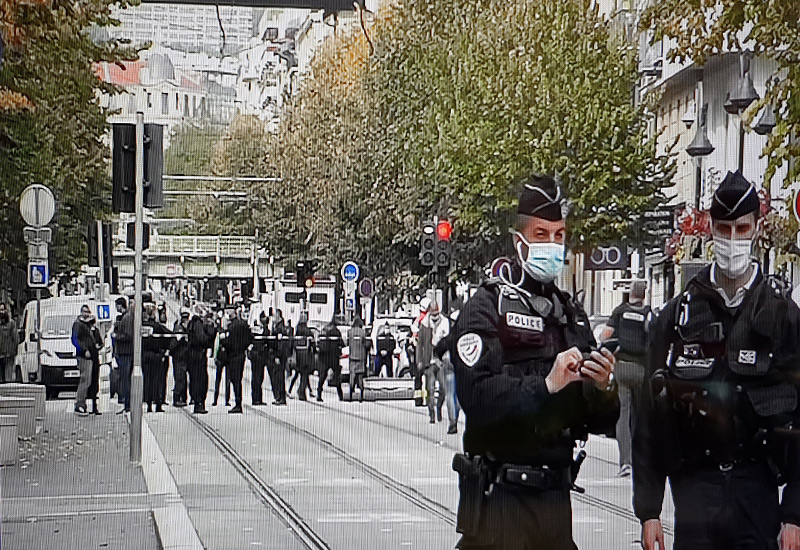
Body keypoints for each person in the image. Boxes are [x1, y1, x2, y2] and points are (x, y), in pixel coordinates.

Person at [633, 171, 800, 550]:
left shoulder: (783, 316)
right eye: (724, 229)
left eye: (742, 229)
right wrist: (649, 510)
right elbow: (648, 417)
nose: (733, 240)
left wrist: (794, 513)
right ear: (709, 229)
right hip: (695, 492)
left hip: (757, 492)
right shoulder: (677, 317)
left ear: (757, 228)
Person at [450, 173, 619, 550]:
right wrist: (546, 385)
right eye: (541, 235)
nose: (553, 245)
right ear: (519, 241)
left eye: (559, 235)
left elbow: (602, 421)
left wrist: (605, 388)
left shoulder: (570, 314)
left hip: (556, 506)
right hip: (501, 504)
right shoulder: (486, 307)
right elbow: (476, 396)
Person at [600, 280, 651, 478]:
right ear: (644, 295)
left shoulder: (620, 311)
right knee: (641, 417)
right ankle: (643, 461)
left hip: (622, 368)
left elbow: (605, 336)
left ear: (630, 294)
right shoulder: (647, 313)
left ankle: (625, 463)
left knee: (623, 416)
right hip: (641, 370)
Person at [419, 302, 450, 424]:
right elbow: (420, 344)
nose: (435, 317)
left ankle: (439, 407)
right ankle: (431, 412)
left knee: (443, 388)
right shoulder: (424, 324)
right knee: (430, 389)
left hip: (441, 362)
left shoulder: (444, 322)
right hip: (429, 362)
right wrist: (420, 361)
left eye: (436, 314)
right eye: (433, 314)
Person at [71, 304, 103, 416]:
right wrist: (84, 350)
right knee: (85, 380)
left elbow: (97, 340)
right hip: (84, 356)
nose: (86, 314)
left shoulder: (89, 326)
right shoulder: (78, 324)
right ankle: (80, 404)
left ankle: (86, 404)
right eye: (84, 312)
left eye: (87, 312)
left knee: (90, 380)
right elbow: (75, 339)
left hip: (92, 356)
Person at [221, 308, 253, 414]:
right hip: (241, 355)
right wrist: (244, 347)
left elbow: (228, 342)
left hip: (233, 355)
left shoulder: (231, 327)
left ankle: (238, 403)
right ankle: (238, 402)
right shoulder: (243, 325)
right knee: (238, 380)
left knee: (235, 380)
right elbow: (250, 337)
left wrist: (223, 340)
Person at [435, 310, 460, 435]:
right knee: (458, 394)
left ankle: (453, 422)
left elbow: (438, 349)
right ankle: (456, 414)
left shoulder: (449, 337)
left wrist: (439, 360)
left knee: (450, 394)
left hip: (449, 364)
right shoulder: (465, 337)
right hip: (462, 367)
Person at [142, 303, 170, 413]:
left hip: (145, 356)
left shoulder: (142, 326)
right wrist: (164, 350)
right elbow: (169, 335)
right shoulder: (158, 326)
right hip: (157, 356)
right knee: (157, 381)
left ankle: (148, 404)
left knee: (147, 380)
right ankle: (158, 404)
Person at [187, 306, 215, 414]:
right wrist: (210, 334)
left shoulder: (192, 323)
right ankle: (199, 403)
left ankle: (197, 401)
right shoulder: (197, 324)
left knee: (195, 379)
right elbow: (202, 339)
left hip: (193, 356)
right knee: (200, 380)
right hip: (197, 356)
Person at [113, 297, 134, 413]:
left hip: (125, 353)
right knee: (124, 379)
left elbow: (128, 335)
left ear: (120, 305)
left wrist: (116, 336)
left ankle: (127, 404)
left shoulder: (127, 318)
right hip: (124, 352)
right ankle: (126, 403)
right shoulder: (125, 317)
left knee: (125, 379)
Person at [317, 318, 345, 402]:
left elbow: (318, 343)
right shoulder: (336, 332)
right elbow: (342, 344)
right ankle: (340, 395)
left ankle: (319, 394)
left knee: (322, 377)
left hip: (324, 357)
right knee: (337, 376)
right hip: (334, 357)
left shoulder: (323, 330)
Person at [170, 308, 191, 407]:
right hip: (179, 357)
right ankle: (177, 398)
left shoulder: (185, 328)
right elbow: (174, 343)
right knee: (180, 378)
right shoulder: (178, 328)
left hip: (184, 357)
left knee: (183, 378)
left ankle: (183, 397)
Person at [293, 313, 315, 401]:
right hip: (306, 355)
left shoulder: (297, 330)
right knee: (305, 375)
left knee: (302, 374)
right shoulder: (307, 331)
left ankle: (303, 392)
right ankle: (301, 392)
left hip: (298, 356)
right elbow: (312, 343)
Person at [268, 309, 288, 406]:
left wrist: (277, 356)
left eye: (274, 316)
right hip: (279, 355)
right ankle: (279, 397)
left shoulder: (280, 329)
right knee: (278, 377)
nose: (273, 318)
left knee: (279, 377)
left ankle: (281, 397)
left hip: (279, 356)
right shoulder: (278, 326)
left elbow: (280, 344)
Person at [348, 316, 370, 402]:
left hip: (352, 357)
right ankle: (361, 395)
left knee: (352, 376)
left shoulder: (350, 332)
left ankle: (350, 394)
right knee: (360, 377)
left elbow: (347, 343)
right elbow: (366, 344)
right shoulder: (363, 332)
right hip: (361, 357)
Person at [250, 311, 270, 405]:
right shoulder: (263, 329)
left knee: (256, 377)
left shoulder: (255, 328)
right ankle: (257, 398)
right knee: (258, 378)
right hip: (259, 355)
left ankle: (256, 398)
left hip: (255, 355)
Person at [0, 303, 19, 383]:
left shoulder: (11, 324)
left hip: (9, 355)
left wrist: (14, 351)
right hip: (1, 354)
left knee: (8, 377)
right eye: (0, 310)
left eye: (2, 310)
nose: (1, 312)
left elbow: (16, 338)